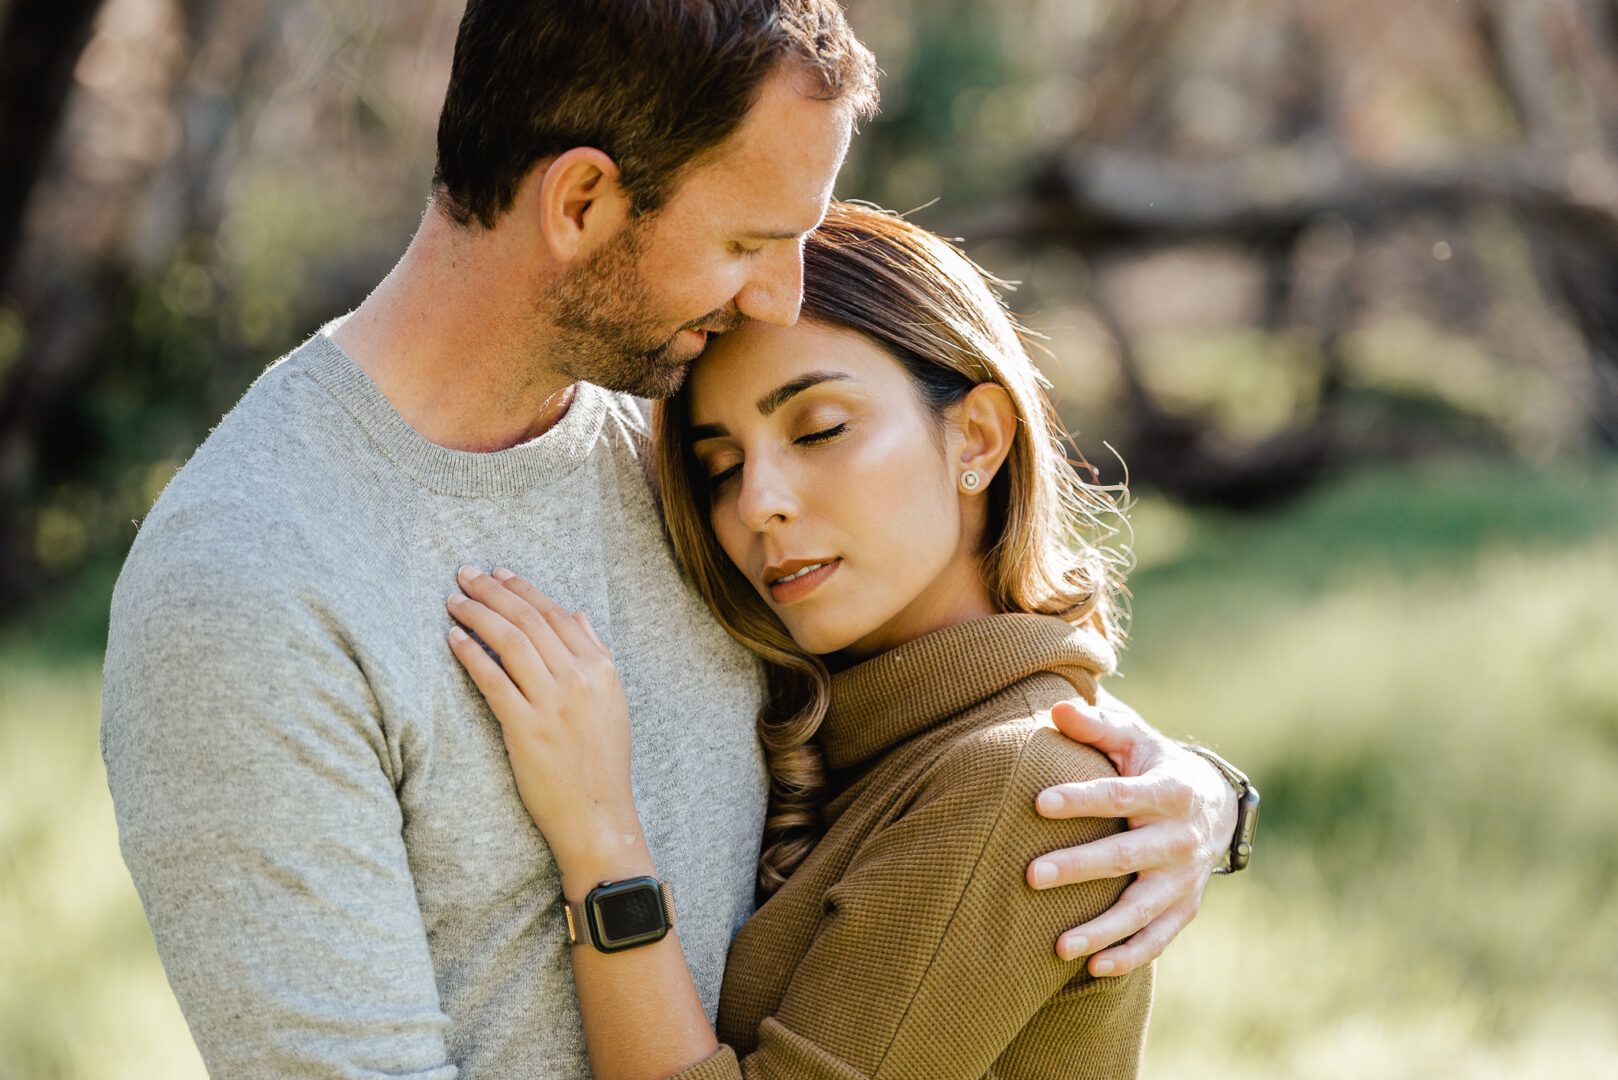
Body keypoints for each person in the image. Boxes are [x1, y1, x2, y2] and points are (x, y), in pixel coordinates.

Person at [100, 3, 1244, 1077]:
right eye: (750, 240)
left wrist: (1188, 795)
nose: (776, 300)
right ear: (583, 203)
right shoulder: (253, 585)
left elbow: (947, 745)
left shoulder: (670, 458)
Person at [446, 202, 1155, 1078]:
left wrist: (599, 836)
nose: (757, 504)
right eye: (721, 466)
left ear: (976, 437)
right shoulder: (863, 730)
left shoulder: (1020, 787)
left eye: (819, 429)